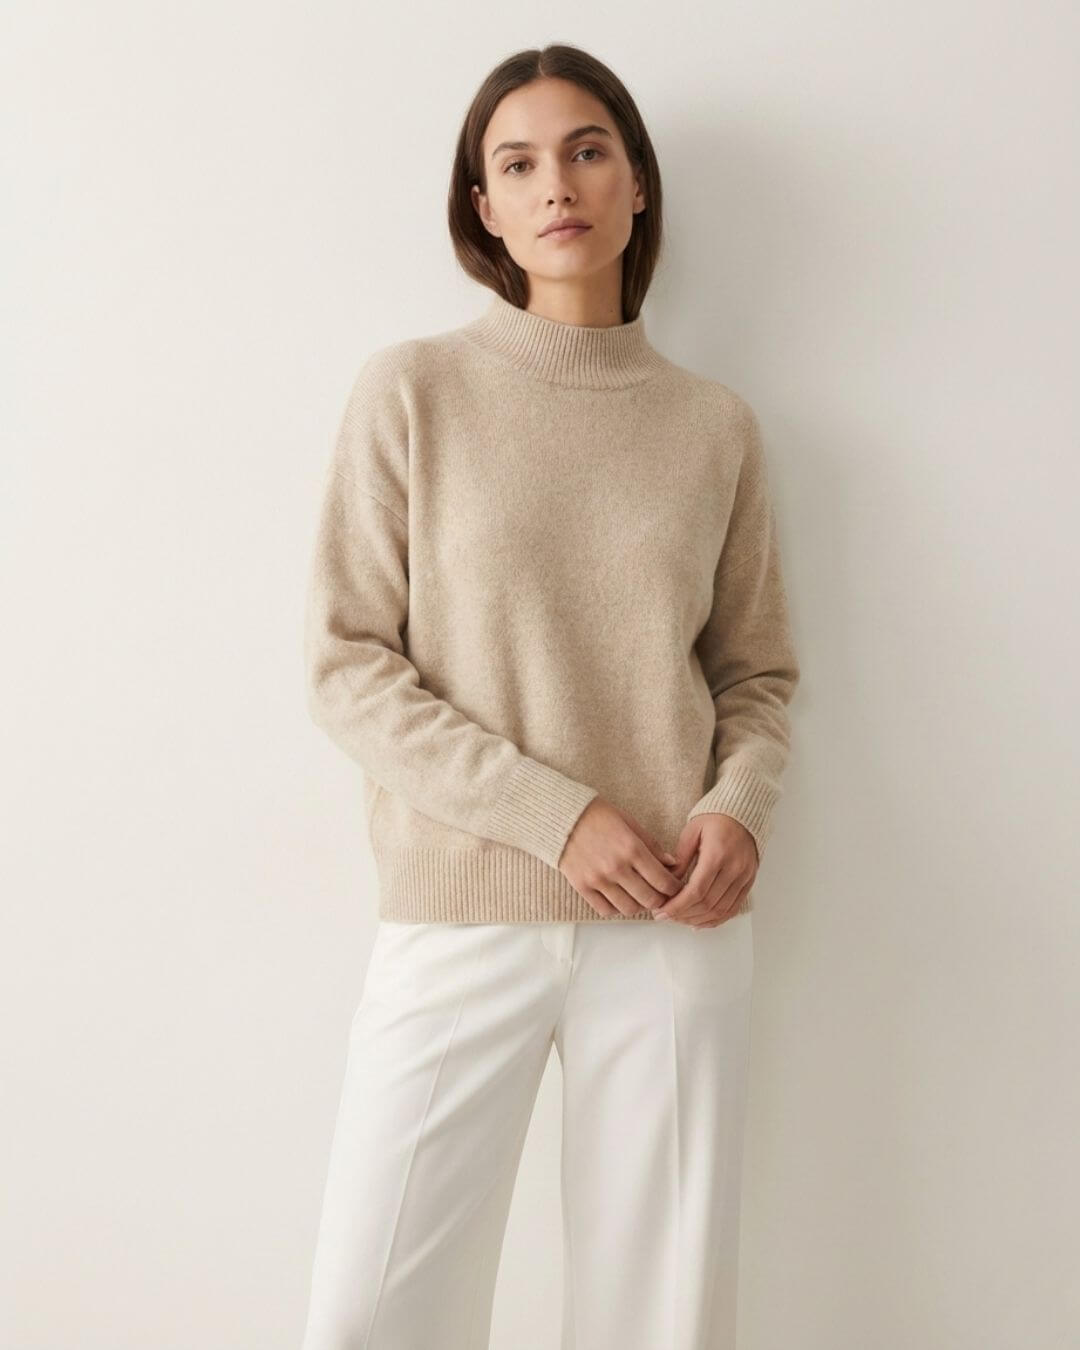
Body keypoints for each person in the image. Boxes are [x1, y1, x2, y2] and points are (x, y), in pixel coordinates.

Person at [299, 43, 800, 1350]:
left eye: (586, 150)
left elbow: (755, 673)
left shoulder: (714, 427)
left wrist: (740, 804)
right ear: (484, 207)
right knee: (370, 1314)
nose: (556, 185)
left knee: (662, 1322)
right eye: (516, 164)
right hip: (465, 908)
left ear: (638, 183)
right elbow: (347, 663)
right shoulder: (414, 390)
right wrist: (554, 815)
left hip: (674, 919)